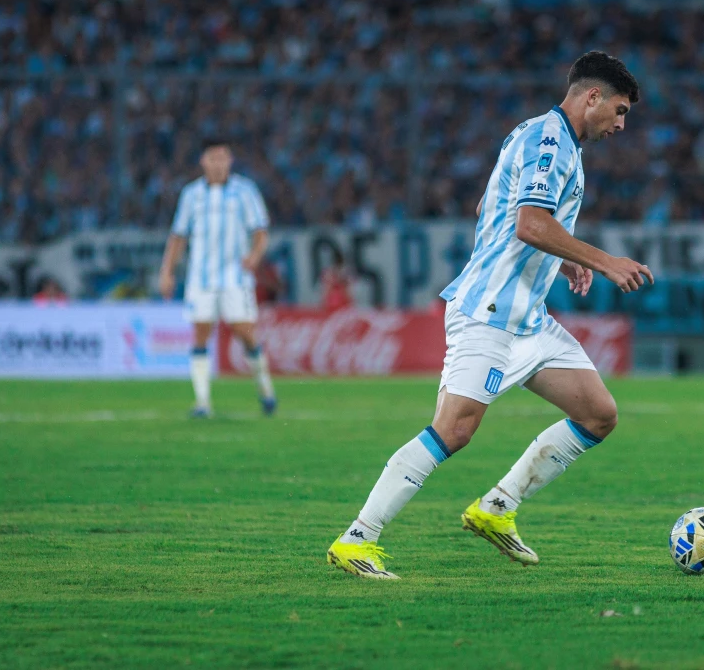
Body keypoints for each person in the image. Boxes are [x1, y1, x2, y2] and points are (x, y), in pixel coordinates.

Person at [327, 51, 654, 579]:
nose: (620, 124)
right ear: (591, 97)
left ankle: (497, 508)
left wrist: (564, 259)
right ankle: (356, 539)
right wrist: (603, 260)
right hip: (490, 314)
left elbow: (490, 208)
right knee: (453, 430)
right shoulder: (551, 143)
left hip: (529, 320)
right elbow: (528, 224)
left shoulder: (538, 134)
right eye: (618, 111)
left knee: (598, 414)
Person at [158, 138, 277, 418]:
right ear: (203, 161)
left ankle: (266, 390)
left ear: (230, 161)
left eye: (223, 158)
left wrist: (255, 256)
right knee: (200, 334)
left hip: (236, 277)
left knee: (245, 333)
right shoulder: (191, 195)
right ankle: (202, 403)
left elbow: (260, 230)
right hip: (201, 278)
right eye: (213, 158)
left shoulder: (245, 191)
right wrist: (167, 271)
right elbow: (178, 236)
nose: (218, 163)